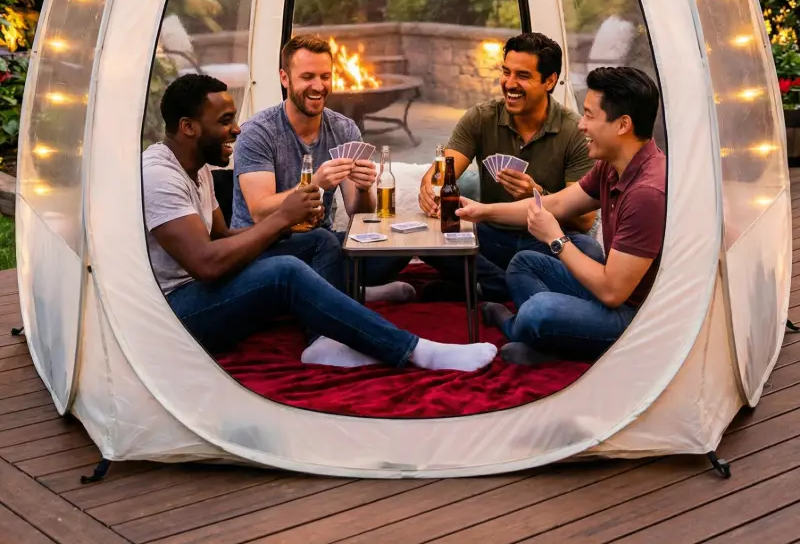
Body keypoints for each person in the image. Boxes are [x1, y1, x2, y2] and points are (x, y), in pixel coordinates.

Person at [143, 73, 497, 372]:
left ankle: (323, 342)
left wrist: (291, 224)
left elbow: (221, 235)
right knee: (284, 271)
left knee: (320, 241)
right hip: (178, 313)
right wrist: (283, 215)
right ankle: (416, 351)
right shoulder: (159, 174)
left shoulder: (198, 168)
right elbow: (206, 263)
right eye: (224, 122)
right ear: (187, 127)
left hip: (207, 288)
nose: (236, 129)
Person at [461, 67, 665, 365]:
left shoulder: (648, 192)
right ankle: (549, 343)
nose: (581, 125)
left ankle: (520, 331)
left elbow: (612, 293)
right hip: (613, 291)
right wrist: (481, 211)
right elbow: (554, 205)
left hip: (636, 318)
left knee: (539, 309)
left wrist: (555, 239)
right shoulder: (612, 165)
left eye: (589, 116)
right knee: (523, 264)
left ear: (623, 125)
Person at [417, 32, 596, 297]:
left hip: (543, 240)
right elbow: (442, 170)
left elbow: (584, 221)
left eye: (522, 76)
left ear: (549, 81)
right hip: (491, 235)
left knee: (587, 250)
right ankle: (505, 287)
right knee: (425, 236)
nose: (509, 84)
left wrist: (537, 195)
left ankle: (482, 286)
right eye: (506, 72)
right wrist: (430, 189)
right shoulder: (481, 117)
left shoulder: (574, 131)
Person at [231, 35, 410, 299]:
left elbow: (358, 213)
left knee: (396, 243)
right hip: (264, 246)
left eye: (325, 76)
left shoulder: (344, 128)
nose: (318, 86)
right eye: (307, 77)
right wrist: (314, 183)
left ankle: (336, 289)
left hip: (321, 243)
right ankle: (351, 295)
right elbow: (259, 212)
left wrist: (363, 188)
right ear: (285, 78)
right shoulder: (258, 132)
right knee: (323, 242)